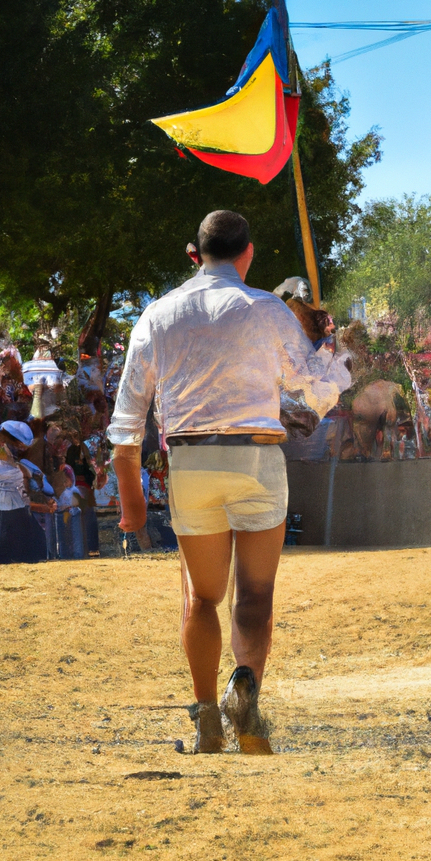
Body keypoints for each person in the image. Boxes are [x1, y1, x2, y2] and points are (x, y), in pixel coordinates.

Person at [108, 210, 351, 754]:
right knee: (256, 595)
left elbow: (127, 423)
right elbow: (314, 391)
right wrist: (331, 349)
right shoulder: (266, 308)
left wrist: (133, 508)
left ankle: (205, 724)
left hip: (191, 462)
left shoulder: (157, 313)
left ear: (196, 254)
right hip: (258, 460)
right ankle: (246, 697)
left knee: (202, 598)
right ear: (248, 254)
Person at [0, 420, 48, 563]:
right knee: (5, 556)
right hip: (6, 516)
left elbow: (42, 488)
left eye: (21, 447)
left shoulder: (25, 467)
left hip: (21, 516)